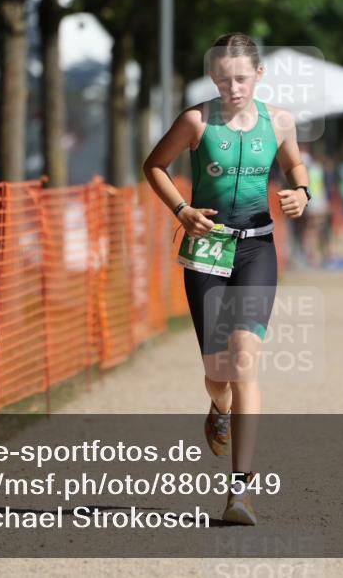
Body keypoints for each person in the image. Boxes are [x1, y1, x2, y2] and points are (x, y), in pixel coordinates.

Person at [142, 33, 309, 526]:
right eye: (223, 78)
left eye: (241, 77)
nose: (233, 87)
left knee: (244, 363)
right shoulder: (196, 121)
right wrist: (182, 208)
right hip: (208, 249)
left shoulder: (279, 121)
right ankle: (217, 408)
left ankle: (241, 492)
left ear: (259, 75)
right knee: (219, 374)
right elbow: (154, 165)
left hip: (257, 248)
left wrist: (303, 191)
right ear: (213, 77)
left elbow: (294, 162)